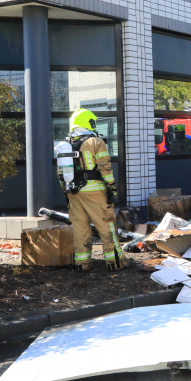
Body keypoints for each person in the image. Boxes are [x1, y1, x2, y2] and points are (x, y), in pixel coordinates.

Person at [60, 108, 127, 271]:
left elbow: (61, 172)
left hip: (74, 193)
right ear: (88, 121)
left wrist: (66, 192)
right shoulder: (95, 142)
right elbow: (104, 166)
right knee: (107, 227)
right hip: (95, 192)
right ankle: (115, 262)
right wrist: (112, 188)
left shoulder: (66, 144)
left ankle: (82, 264)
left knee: (80, 229)